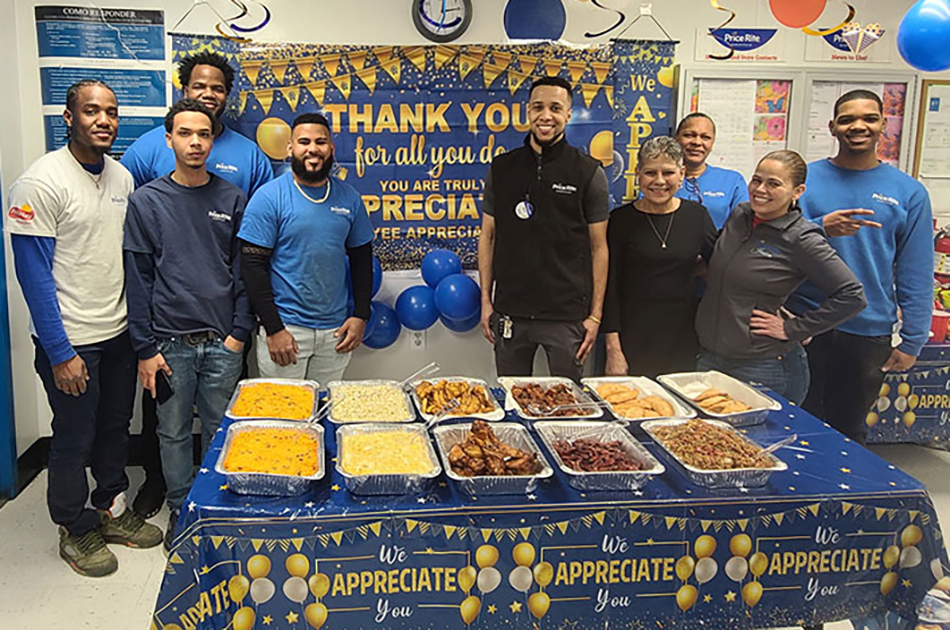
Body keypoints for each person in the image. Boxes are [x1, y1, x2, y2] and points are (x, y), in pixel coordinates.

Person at [7, 80, 162, 577]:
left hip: (116, 333)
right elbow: (32, 274)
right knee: (74, 436)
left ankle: (109, 508)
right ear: (68, 118)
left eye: (111, 112)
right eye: (91, 111)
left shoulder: (121, 179)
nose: (104, 120)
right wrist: (58, 351)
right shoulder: (39, 183)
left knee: (116, 428)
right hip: (70, 340)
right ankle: (74, 527)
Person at [122, 51, 273, 520]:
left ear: (214, 141)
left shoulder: (232, 197)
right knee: (169, 432)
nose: (195, 142)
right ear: (168, 140)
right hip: (170, 344)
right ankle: (182, 512)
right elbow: (139, 277)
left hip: (223, 343)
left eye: (203, 134)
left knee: (220, 428)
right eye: (185, 134)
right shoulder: (147, 201)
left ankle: (215, 511)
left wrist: (238, 334)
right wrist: (146, 347)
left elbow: (245, 269)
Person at [787, 89, 934, 444]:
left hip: (867, 331)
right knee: (793, 425)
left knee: (849, 433)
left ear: (884, 124)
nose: (858, 126)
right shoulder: (803, 182)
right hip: (803, 323)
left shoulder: (908, 192)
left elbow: (915, 271)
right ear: (832, 127)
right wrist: (821, 225)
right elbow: (773, 242)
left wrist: (913, 339)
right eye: (848, 118)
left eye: (869, 118)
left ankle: (841, 500)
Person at [695, 151, 866, 405]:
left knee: (757, 443)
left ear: (797, 191)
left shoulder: (802, 238)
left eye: (773, 183)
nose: (760, 189)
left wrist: (794, 328)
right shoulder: (740, 216)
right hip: (710, 356)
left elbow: (853, 296)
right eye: (756, 180)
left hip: (761, 364)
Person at [478, 76, 609, 381]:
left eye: (555, 107)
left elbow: (599, 247)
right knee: (512, 400)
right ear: (527, 111)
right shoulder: (502, 168)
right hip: (511, 313)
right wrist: (487, 302)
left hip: (567, 317)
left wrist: (595, 316)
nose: (545, 116)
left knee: (567, 407)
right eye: (538, 107)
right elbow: (488, 236)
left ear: (568, 114)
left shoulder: (588, 171)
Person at [238, 113, 374, 385]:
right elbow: (252, 268)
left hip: (335, 333)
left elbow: (362, 260)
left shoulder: (349, 198)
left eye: (321, 142)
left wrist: (360, 315)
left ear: (331, 149)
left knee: (323, 413)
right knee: (284, 421)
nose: (313, 148)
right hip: (286, 330)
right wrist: (274, 329)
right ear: (290, 148)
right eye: (304, 141)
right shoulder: (268, 197)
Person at [603, 136, 717, 378]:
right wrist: (613, 350)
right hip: (631, 339)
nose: (659, 181)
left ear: (682, 173)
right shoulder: (620, 221)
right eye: (650, 173)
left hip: (683, 337)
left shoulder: (697, 217)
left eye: (668, 173)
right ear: (637, 174)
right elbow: (609, 288)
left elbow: (722, 269)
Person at [674, 113, 749, 229]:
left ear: (712, 143)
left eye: (705, 137)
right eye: (689, 135)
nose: (697, 142)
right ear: (676, 139)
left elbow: (743, 226)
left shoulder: (732, 181)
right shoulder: (660, 179)